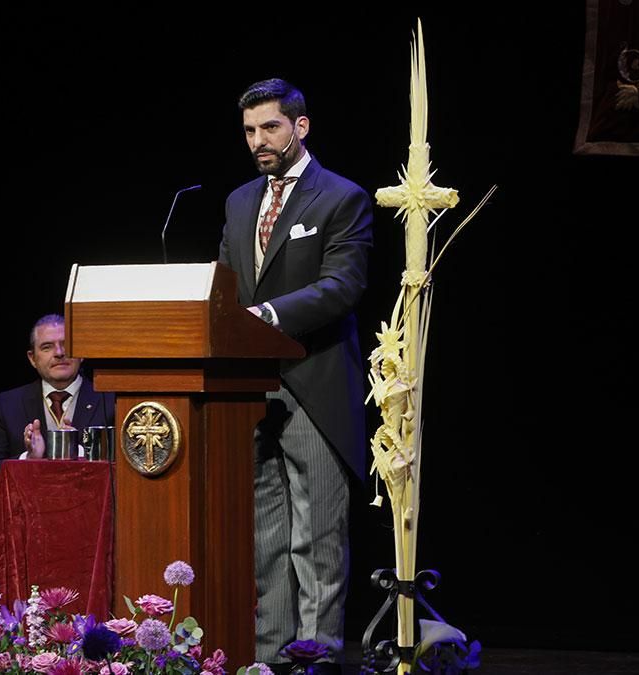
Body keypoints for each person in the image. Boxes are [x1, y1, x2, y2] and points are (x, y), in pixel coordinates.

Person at [217, 78, 373, 674]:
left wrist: (269, 316)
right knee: (265, 537)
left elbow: (343, 286)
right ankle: (270, 655)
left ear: (300, 127)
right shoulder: (237, 201)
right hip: (247, 390)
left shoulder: (341, 198)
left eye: (271, 128)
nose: (259, 141)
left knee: (317, 536)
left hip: (313, 382)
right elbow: (226, 284)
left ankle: (317, 658)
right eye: (251, 131)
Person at [0, 313, 115, 490]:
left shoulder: (111, 400)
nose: (59, 353)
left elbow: (127, 471)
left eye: (66, 344)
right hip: (31, 514)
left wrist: (81, 456)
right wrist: (29, 459)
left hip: (94, 511)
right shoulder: (9, 404)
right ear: (32, 358)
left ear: (81, 353)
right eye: (47, 347)